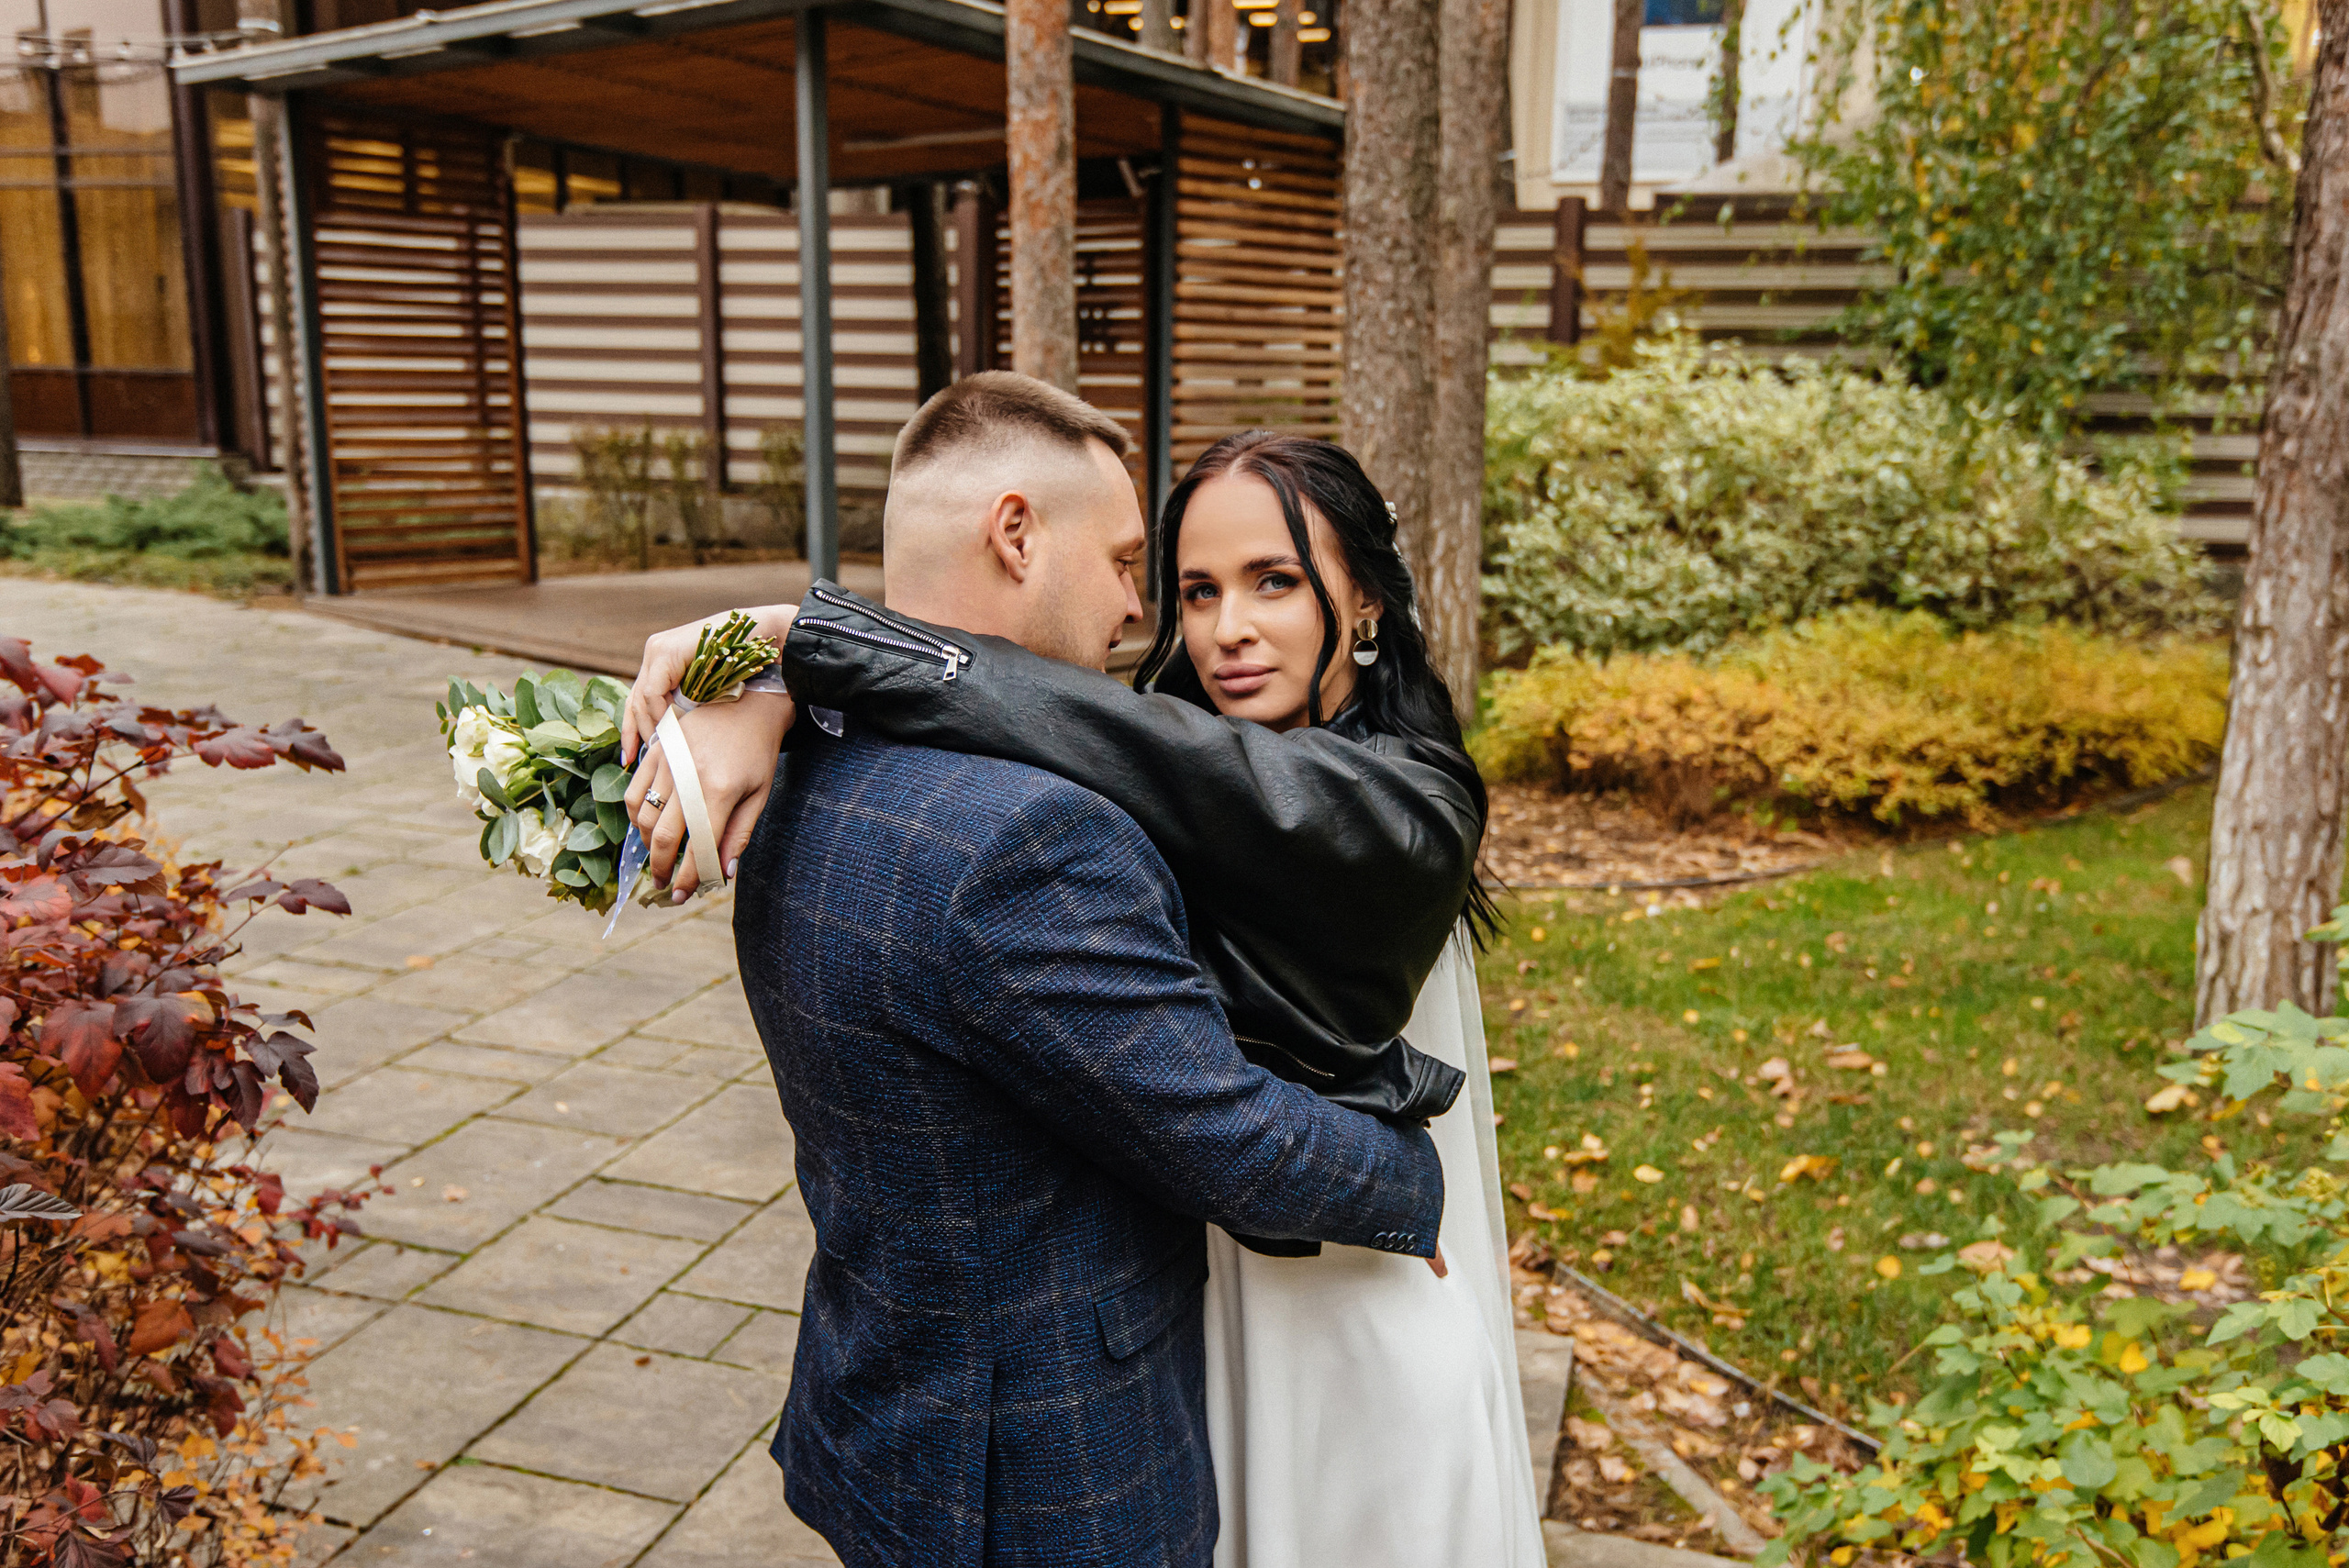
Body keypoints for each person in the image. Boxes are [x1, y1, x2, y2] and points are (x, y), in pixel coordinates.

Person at [622, 380, 1544, 1566]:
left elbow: (1123, 742)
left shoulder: (1404, 798)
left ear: (1363, 596)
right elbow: (1085, 740)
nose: (1196, 623)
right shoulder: (1043, 815)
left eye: (1272, 580)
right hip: (1137, 1354)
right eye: (1178, 581)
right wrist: (781, 682)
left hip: (1334, 1296)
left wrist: (802, 654)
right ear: (1018, 533)